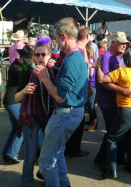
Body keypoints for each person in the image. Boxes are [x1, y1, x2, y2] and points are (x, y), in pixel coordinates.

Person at [33, 17, 88, 187]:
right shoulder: (76, 56)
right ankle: (64, 183)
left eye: (56, 38)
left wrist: (43, 78)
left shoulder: (72, 60)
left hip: (66, 113)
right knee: (56, 152)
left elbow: (60, 96)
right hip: (70, 113)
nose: (55, 41)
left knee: (46, 160)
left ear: (63, 36)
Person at [97, 49, 131, 179]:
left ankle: (111, 169)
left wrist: (98, 66)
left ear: (125, 60)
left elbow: (102, 80)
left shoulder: (121, 72)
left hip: (126, 109)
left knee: (112, 138)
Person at [15, 37, 58, 187]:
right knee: (30, 156)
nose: (40, 57)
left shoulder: (55, 72)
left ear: (49, 55)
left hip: (50, 119)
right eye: (37, 54)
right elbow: (15, 97)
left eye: (43, 54)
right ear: (34, 56)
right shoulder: (26, 73)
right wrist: (24, 91)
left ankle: (44, 173)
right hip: (30, 118)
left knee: (50, 154)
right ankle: (27, 183)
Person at [94, 31, 131, 170]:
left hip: (114, 100)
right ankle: (101, 159)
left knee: (116, 131)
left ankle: (115, 157)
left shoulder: (117, 57)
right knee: (113, 131)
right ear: (113, 43)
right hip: (108, 101)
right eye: (121, 43)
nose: (124, 45)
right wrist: (123, 90)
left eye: (125, 43)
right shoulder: (106, 57)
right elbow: (104, 82)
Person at [2, 46, 32, 165]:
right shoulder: (17, 68)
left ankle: (7, 153)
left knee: (16, 128)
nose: (27, 63)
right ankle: (11, 154)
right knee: (22, 128)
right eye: (26, 61)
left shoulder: (17, 65)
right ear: (21, 58)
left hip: (12, 101)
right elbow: (28, 74)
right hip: (13, 101)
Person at [64, 25, 90, 157]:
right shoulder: (79, 50)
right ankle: (73, 148)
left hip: (78, 92)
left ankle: (72, 147)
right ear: (87, 36)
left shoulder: (79, 48)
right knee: (77, 121)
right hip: (77, 93)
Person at [84, 43, 98, 131]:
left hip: (91, 84)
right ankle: (91, 120)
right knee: (89, 104)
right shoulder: (93, 58)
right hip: (93, 84)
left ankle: (94, 124)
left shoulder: (90, 59)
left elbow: (91, 73)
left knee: (91, 104)